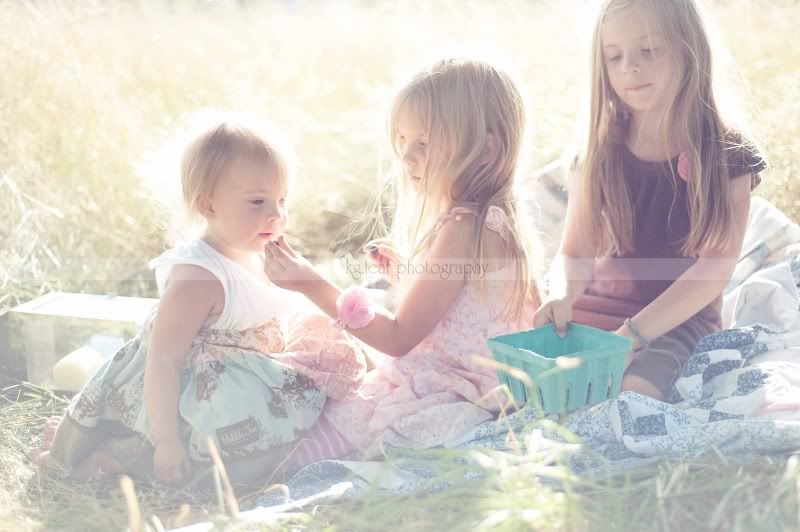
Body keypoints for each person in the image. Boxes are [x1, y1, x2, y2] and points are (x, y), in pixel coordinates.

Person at [29, 115, 365, 487]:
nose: (275, 214)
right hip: (187, 394)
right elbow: (163, 360)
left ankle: (107, 446)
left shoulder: (252, 247)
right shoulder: (197, 277)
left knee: (290, 420)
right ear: (208, 206)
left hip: (242, 376)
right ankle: (108, 457)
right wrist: (167, 442)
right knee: (212, 468)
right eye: (257, 202)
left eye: (281, 200)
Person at [263, 57, 544, 463]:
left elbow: (397, 339)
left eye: (424, 144)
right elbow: (471, 309)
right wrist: (408, 276)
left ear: (484, 149)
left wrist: (309, 283)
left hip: (445, 391)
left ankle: (247, 475)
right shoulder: (501, 219)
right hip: (486, 384)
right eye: (402, 143)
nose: (407, 158)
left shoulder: (463, 226)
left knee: (302, 451)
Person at [534, 0, 767, 400]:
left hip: (676, 320)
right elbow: (575, 253)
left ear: (688, 48)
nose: (630, 68)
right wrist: (561, 295)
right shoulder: (600, 151)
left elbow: (712, 272)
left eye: (648, 50)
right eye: (615, 57)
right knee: (529, 381)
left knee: (633, 393)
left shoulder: (726, 154)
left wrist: (631, 337)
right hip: (600, 309)